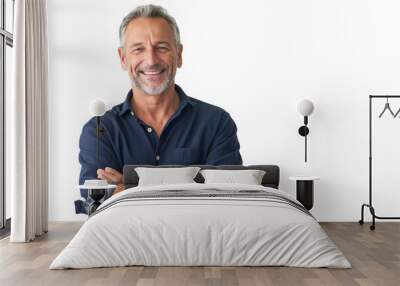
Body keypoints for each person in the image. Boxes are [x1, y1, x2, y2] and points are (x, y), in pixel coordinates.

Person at [75, 4, 242, 214]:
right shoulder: (100, 130)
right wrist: (191, 187)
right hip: (124, 244)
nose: (151, 60)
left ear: (179, 54)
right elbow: (98, 204)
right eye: (138, 49)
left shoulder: (217, 123)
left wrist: (128, 188)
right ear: (123, 58)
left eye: (162, 47)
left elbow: (228, 199)